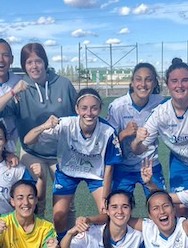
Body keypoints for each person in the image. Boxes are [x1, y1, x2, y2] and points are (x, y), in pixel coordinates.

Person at [0, 42, 77, 219]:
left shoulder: (63, 84)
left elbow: (78, 114)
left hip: (61, 154)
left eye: (38, 61)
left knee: (67, 204)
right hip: (32, 152)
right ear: (24, 66)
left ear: (44, 62)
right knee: (36, 200)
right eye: (29, 63)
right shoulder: (21, 89)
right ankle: (38, 242)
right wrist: (13, 92)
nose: (34, 66)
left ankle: (68, 242)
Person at [23, 88, 122, 238]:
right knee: (59, 215)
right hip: (67, 173)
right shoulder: (65, 124)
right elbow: (27, 140)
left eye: (94, 108)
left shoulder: (108, 132)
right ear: (77, 109)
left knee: (107, 212)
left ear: (100, 109)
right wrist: (44, 126)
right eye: (84, 108)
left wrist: (105, 198)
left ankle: (102, 247)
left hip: (96, 175)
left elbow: (109, 168)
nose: (89, 113)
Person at [130, 58, 188, 217]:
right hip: (182, 164)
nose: (179, 85)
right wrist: (136, 140)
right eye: (174, 81)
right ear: (167, 84)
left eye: (185, 80)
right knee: (180, 211)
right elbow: (138, 149)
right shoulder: (160, 112)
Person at [106, 62, 165, 198]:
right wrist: (124, 133)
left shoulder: (161, 103)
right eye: (138, 79)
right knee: (118, 209)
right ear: (132, 82)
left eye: (148, 80)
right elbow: (107, 143)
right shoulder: (117, 106)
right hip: (123, 167)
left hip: (150, 165)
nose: (143, 84)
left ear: (155, 83)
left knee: (161, 203)